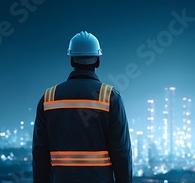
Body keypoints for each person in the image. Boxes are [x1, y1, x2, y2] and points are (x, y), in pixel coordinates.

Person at [32, 31, 133, 183]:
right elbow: (121, 153)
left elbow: (39, 154)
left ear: (71, 60)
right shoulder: (110, 97)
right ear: (97, 61)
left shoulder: (49, 97)